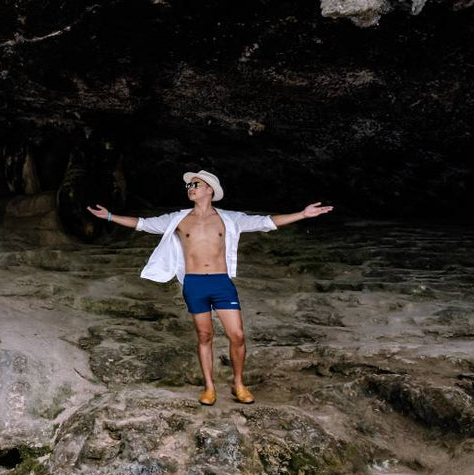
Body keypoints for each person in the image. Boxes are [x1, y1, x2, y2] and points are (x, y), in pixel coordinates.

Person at [85, 169, 333, 406]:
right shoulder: (178, 218)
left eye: (195, 184)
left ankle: (238, 384)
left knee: (237, 335)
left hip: (220, 282)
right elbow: (143, 223)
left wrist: (302, 214)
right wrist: (109, 216)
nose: (190, 188)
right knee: (205, 336)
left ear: (209, 190)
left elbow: (265, 222)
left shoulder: (228, 218)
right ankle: (209, 387)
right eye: (188, 185)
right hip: (194, 283)